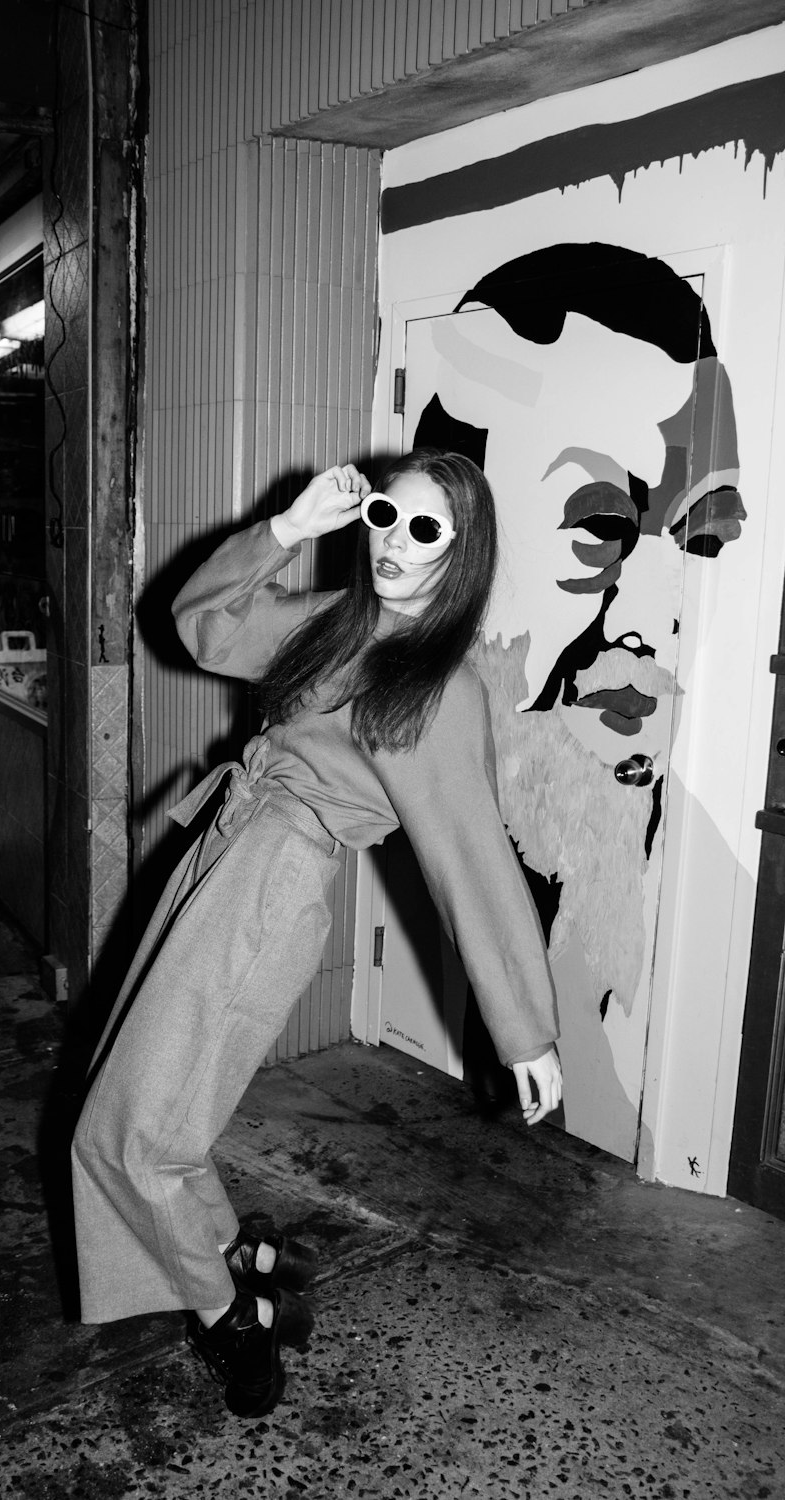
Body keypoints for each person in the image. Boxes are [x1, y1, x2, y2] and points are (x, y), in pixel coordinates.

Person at [70, 450, 562, 1419]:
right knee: (143, 1112)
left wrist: (527, 1031)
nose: (392, 541)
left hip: (275, 881)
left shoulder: (437, 690)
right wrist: (289, 528)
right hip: (222, 846)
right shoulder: (340, 625)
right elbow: (199, 622)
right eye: (386, 515)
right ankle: (249, 1273)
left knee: (128, 1135)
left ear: (460, 555)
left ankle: (235, 1326)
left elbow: (471, 860)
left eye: (424, 531)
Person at [407, 245, 745, 1151]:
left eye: (697, 536)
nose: (639, 621)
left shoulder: (697, 846)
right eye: (601, 527)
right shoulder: (423, 725)